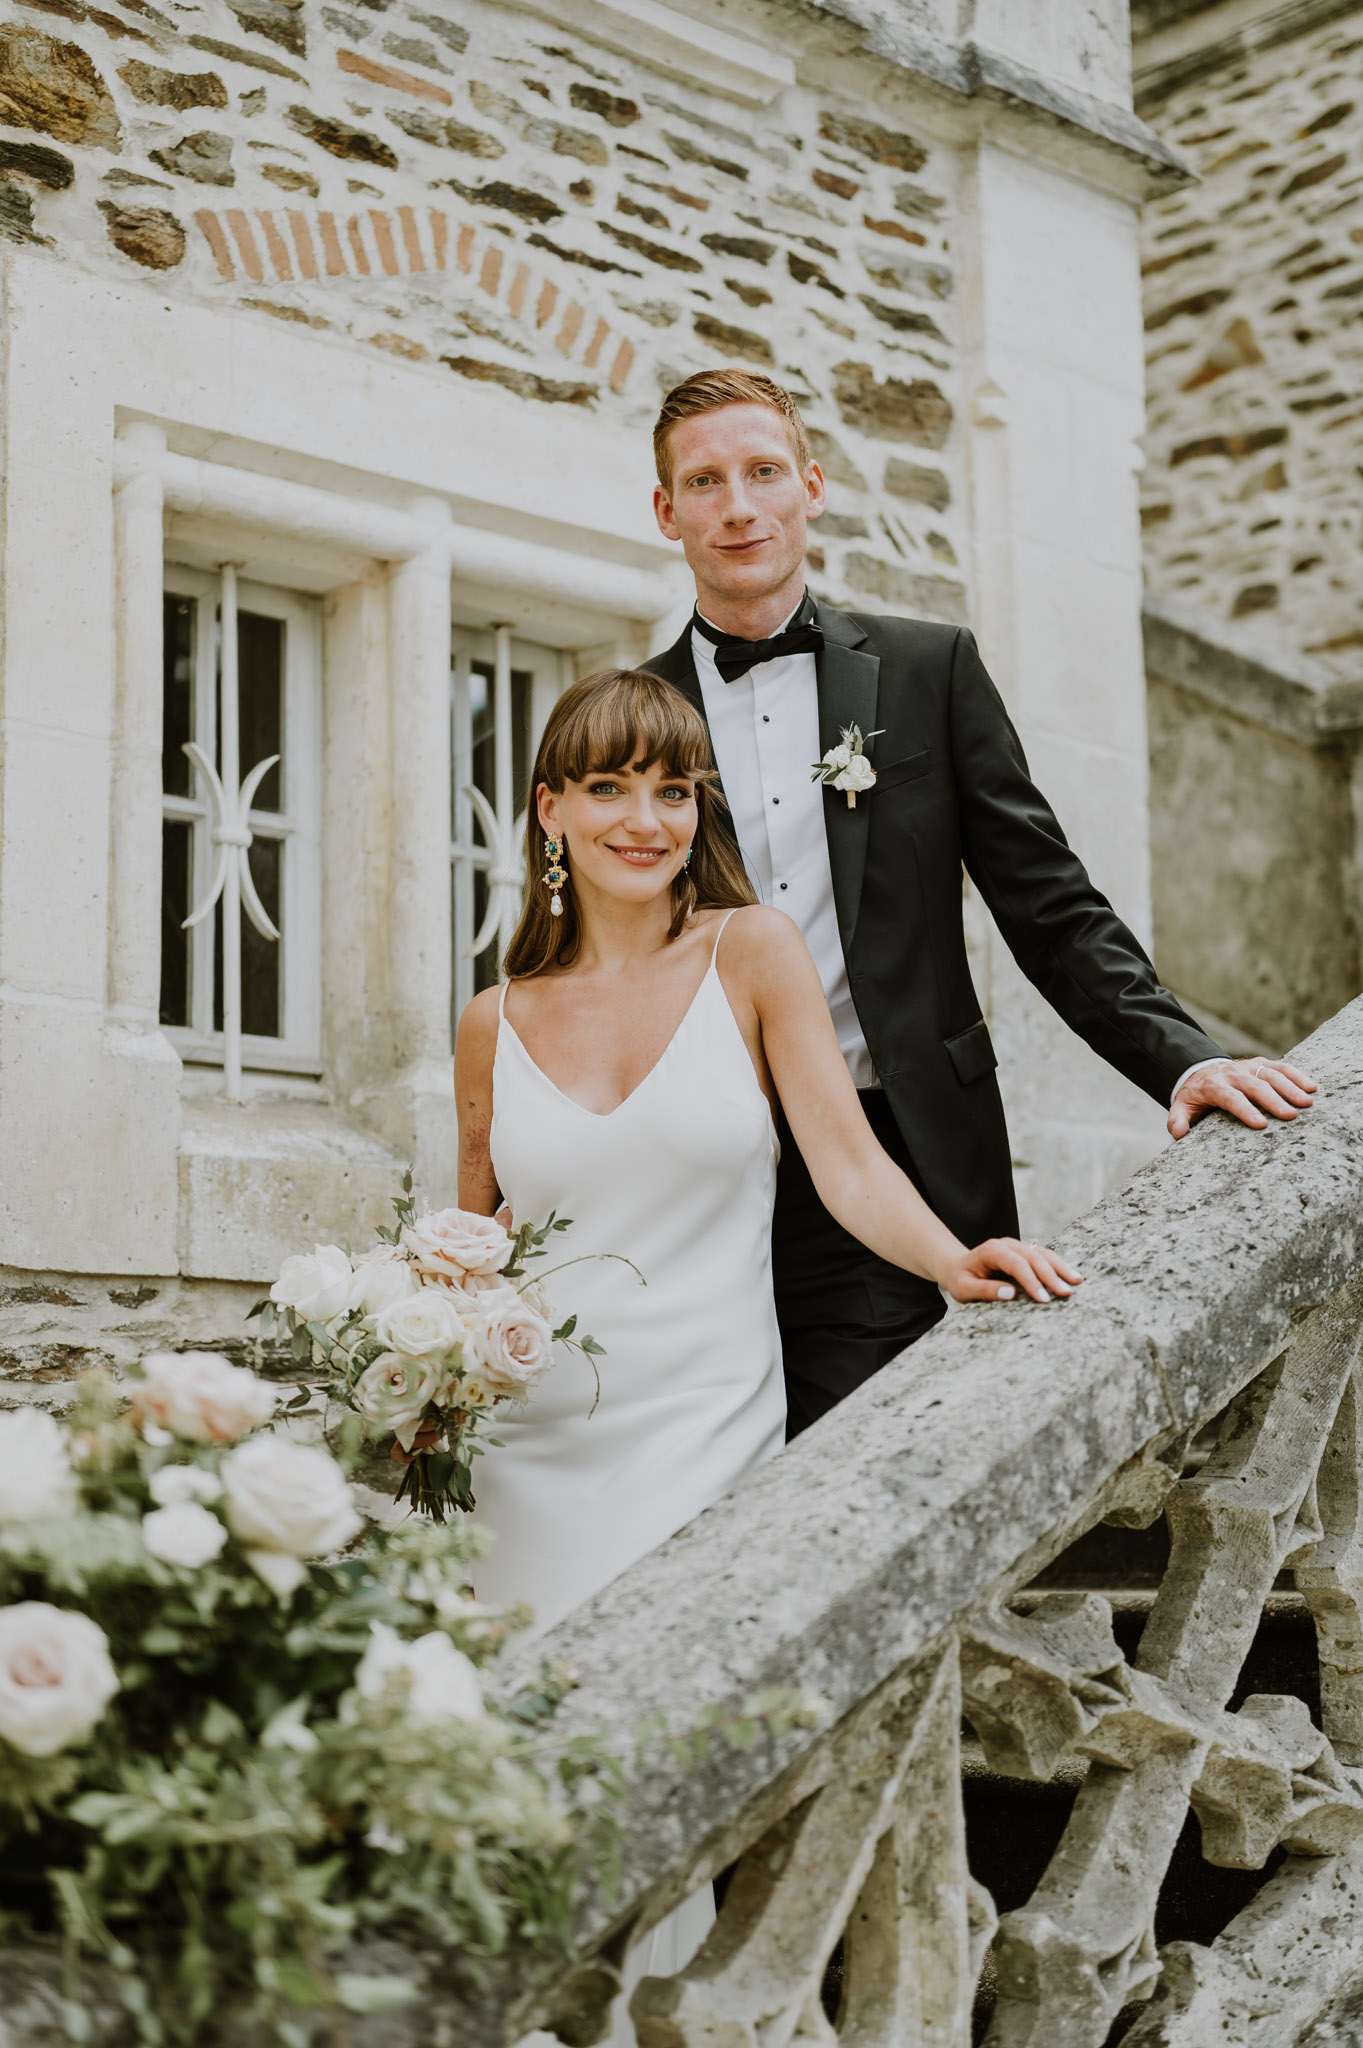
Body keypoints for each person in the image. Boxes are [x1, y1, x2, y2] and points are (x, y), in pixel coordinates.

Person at [452, 666, 1077, 2045]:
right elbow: (475, 1234)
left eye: (671, 789)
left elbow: (844, 1162)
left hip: (698, 1437)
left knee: (658, 1775)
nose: (644, 817)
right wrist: (411, 1339)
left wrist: (951, 1258)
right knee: (511, 1785)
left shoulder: (751, 952)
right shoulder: (492, 1016)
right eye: (607, 787)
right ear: (548, 810)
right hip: (523, 1458)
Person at [643, 367, 1319, 1438]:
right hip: (703, 1169)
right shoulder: (635, 715)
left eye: (763, 471)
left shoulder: (926, 670)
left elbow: (1045, 899)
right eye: (706, 480)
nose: (737, 505)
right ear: (665, 510)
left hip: (902, 1141)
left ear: (811, 486)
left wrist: (1182, 1056)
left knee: (892, 1455)